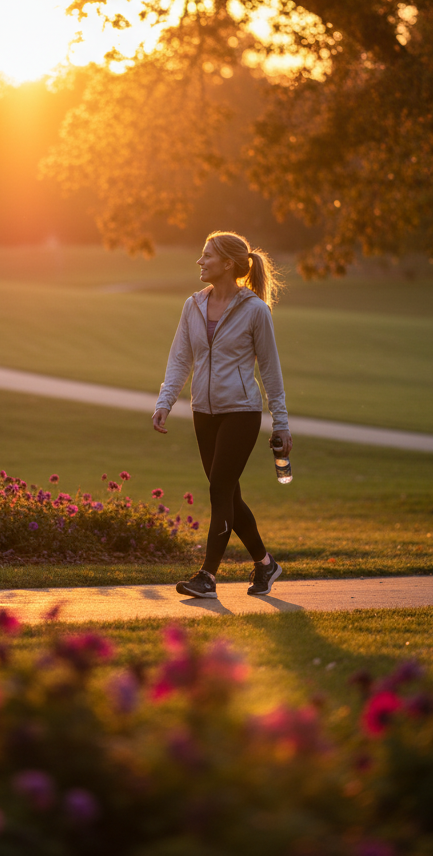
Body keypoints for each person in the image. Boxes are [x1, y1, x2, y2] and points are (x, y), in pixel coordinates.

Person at [153, 231, 292, 600]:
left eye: (206, 256)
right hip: (204, 411)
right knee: (227, 494)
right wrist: (165, 402)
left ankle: (208, 577)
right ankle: (266, 565)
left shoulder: (255, 311)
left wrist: (281, 423)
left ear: (228, 264)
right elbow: (181, 357)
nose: (200, 262)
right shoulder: (193, 305)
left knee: (219, 490)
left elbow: (271, 370)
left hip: (242, 412)